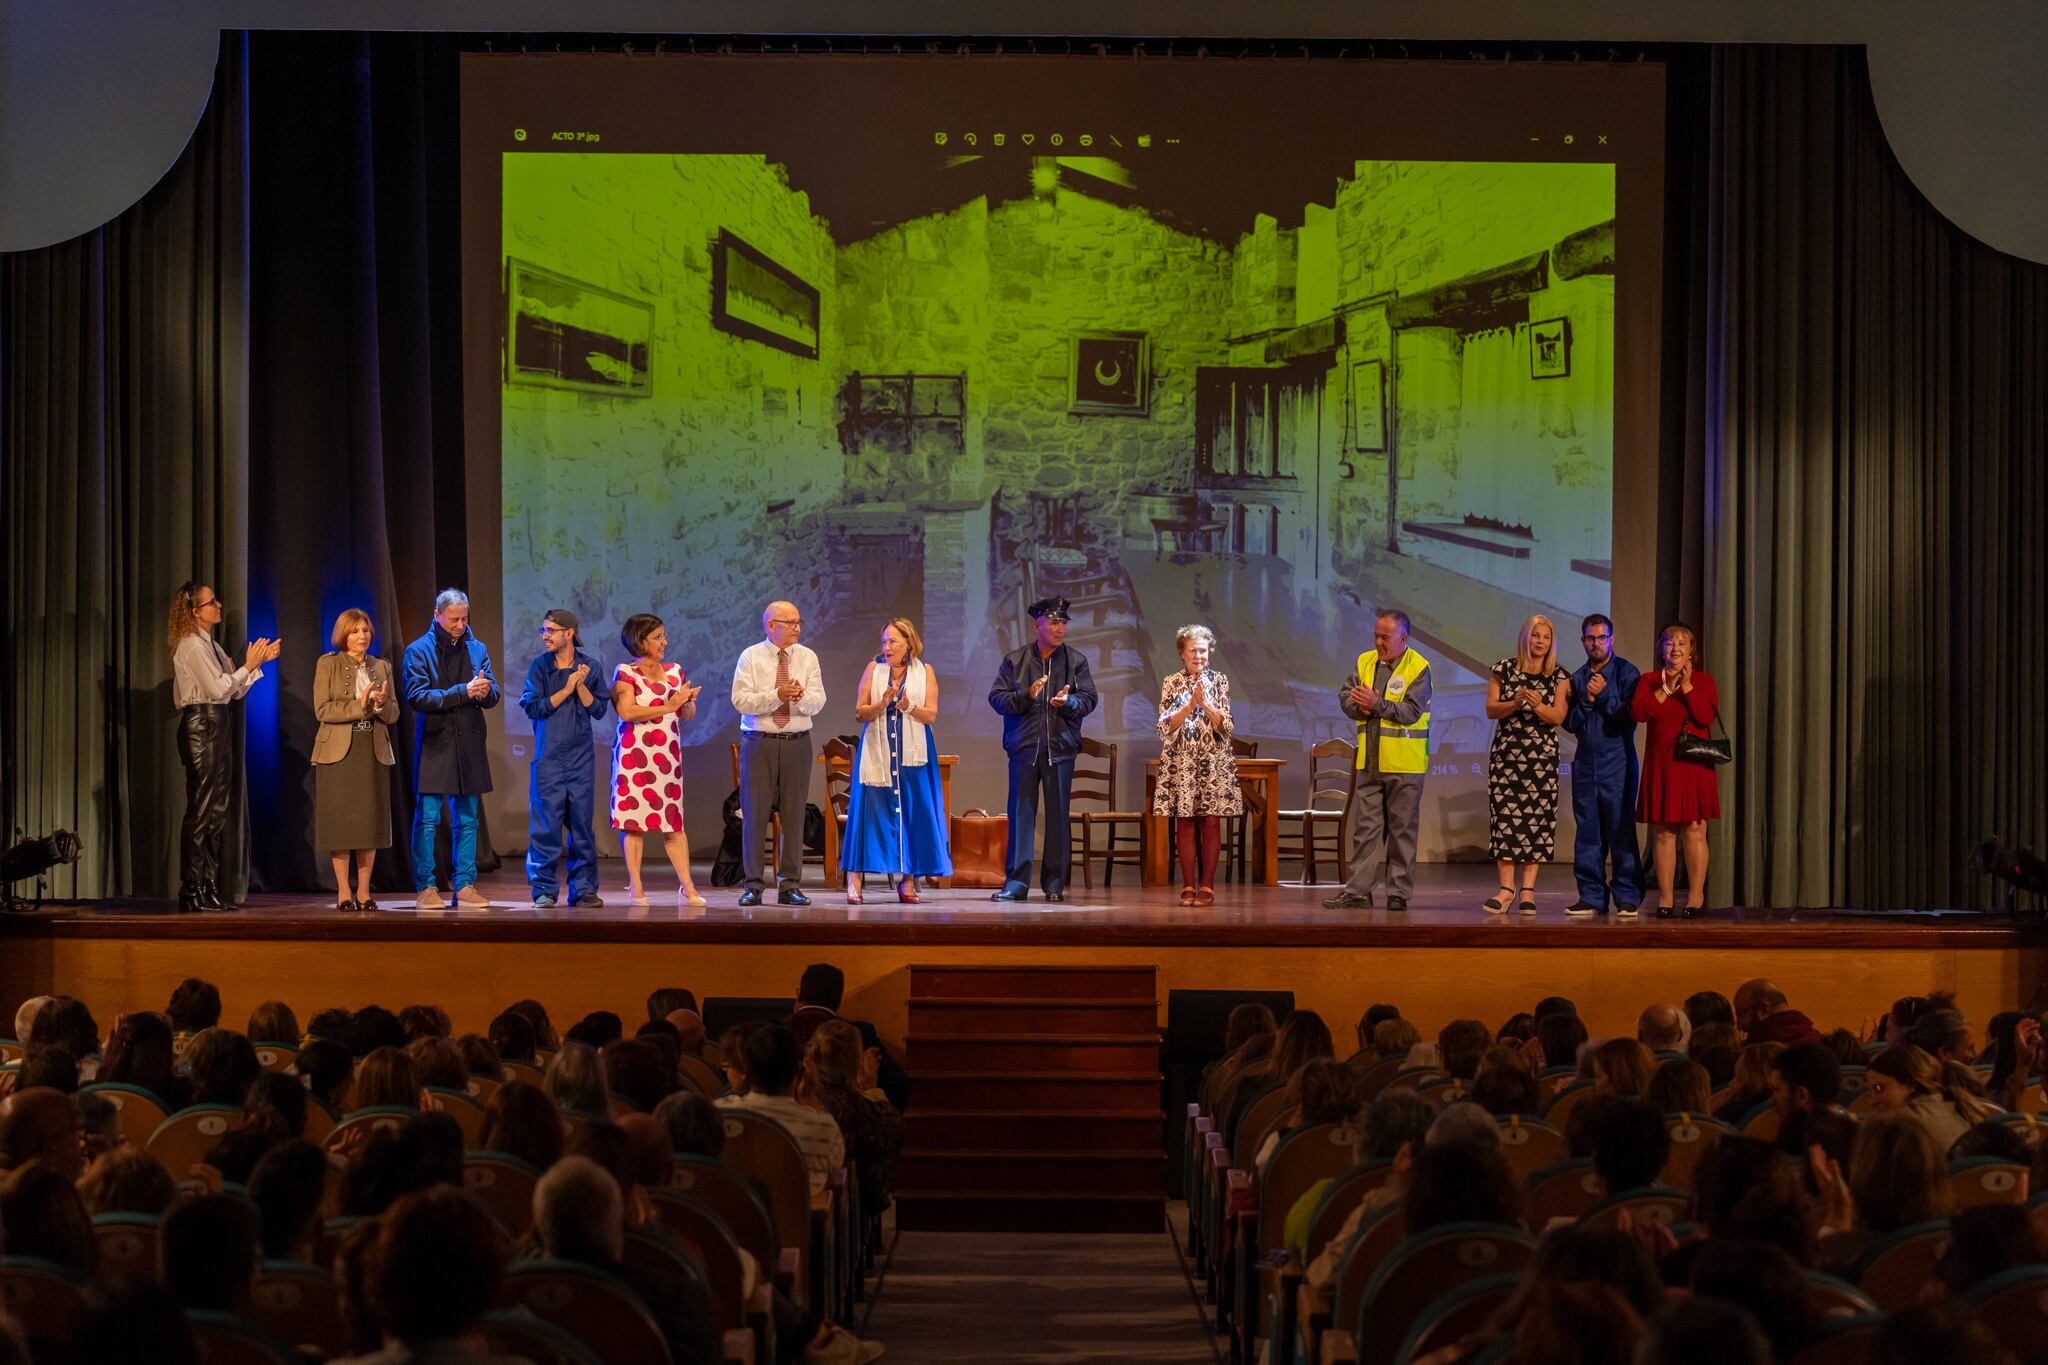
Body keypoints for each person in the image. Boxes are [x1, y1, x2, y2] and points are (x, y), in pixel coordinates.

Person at [166, 580, 280, 913]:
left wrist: (256, 664)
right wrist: (248, 665)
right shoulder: (191, 645)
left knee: (216, 811)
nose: (218, 605)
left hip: (218, 721)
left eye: (216, 600)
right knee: (201, 811)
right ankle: (191, 888)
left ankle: (209, 886)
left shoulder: (212, 647)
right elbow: (218, 689)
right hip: (202, 725)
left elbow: (233, 692)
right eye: (210, 602)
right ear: (194, 612)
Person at [987, 596, 1099, 903]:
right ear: (1038, 625)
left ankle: (1054, 884)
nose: (1060, 628)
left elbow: (1089, 700)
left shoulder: (1076, 661)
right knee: (1021, 814)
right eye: (1054, 622)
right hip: (1024, 749)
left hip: (1060, 750)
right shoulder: (1015, 660)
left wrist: (1069, 703)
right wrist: (1026, 695)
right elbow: (996, 699)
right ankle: (1017, 883)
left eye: (1063, 623)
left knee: (1058, 818)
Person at [1324, 610, 1432, 913]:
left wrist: (1377, 704)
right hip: (1370, 761)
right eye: (1376, 635)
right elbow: (1346, 696)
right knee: (1366, 830)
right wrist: (1361, 708)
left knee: (1402, 831)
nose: (1378, 641)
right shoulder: (1365, 661)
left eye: (1385, 637)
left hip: (1404, 765)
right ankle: (1358, 890)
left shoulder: (1419, 667)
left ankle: (1398, 893)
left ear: (1403, 638)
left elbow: (1411, 712)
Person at [842, 618, 953, 903]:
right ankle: (854, 880)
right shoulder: (874, 669)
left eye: (893, 642)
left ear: (908, 644)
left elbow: (931, 716)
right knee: (869, 813)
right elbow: (860, 713)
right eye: (884, 642)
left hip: (913, 754)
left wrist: (908, 706)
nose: (887, 647)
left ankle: (908, 881)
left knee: (914, 814)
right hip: (877, 752)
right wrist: (882, 704)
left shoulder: (924, 671)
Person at [402, 589, 499, 909]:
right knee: (428, 817)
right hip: (435, 741)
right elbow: (417, 696)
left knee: (468, 817)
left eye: (464, 618)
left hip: (469, 741)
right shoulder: (418, 650)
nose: (460, 625)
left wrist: (484, 692)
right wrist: (463, 691)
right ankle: (426, 886)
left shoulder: (477, 648)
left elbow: (494, 693)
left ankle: (466, 885)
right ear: (437, 615)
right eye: (454, 619)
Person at [730, 600, 826, 907]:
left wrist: (797, 698)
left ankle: (790, 885)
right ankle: (753, 885)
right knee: (755, 815)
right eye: (790, 623)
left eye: (799, 622)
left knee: (794, 814)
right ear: (771, 625)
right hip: (760, 741)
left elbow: (818, 700)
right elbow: (741, 700)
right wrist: (777, 696)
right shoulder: (751, 657)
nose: (797, 628)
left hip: (797, 740)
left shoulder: (807, 657)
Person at [609, 613, 705, 907]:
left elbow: (685, 716)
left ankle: (687, 886)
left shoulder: (674, 671)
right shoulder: (626, 672)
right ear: (641, 641)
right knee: (634, 824)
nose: (665, 642)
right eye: (658, 637)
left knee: (673, 824)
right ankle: (636, 886)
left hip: (666, 758)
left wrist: (686, 702)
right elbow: (627, 712)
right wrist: (669, 704)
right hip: (635, 757)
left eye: (664, 636)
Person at [1482, 614, 1572, 914]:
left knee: (1537, 822)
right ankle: (1506, 889)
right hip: (1507, 758)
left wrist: (1536, 705)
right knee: (1505, 820)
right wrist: (1515, 702)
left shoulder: (1560, 677)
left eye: (1546, 637)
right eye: (1536, 636)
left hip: (1541, 760)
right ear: (1525, 638)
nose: (1540, 642)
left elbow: (1558, 717)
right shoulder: (1503, 670)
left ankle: (1528, 891)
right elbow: (1491, 710)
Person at [520, 607, 609, 909]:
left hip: (580, 760)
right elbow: (533, 707)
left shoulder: (590, 667)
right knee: (546, 827)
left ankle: (583, 889)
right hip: (550, 759)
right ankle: (544, 889)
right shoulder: (540, 668)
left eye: (550, 630)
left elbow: (598, 710)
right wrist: (566, 688)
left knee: (582, 826)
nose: (544, 635)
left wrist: (580, 686)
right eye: (542, 630)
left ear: (569, 633)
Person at [312, 609, 400, 913]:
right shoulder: (328, 664)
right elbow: (322, 710)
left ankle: (364, 892)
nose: (362, 636)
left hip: (371, 750)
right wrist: (358, 705)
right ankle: (343, 891)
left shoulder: (382, 666)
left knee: (368, 824)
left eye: (365, 630)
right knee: (341, 825)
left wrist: (380, 704)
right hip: (337, 753)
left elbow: (393, 714)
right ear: (343, 635)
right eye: (355, 631)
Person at [1631, 621, 1721, 917]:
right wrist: (1666, 689)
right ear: (1662, 649)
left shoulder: (1705, 681)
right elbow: (1640, 713)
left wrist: (1687, 687)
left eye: (1682, 643)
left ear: (1691, 651)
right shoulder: (1648, 680)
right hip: (1663, 764)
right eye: (1670, 642)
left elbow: (1705, 717)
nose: (1676, 648)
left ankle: (1695, 897)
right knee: (1664, 833)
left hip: (1694, 765)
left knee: (1695, 831)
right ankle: (1666, 899)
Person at [1153, 624, 1243, 907]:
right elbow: (1164, 727)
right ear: (1182, 653)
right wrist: (1189, 705)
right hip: (1181, 762)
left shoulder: (1220, 680)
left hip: (1212, 762)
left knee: (1211, 821)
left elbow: (1227, 726)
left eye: (1203, 651)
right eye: (1193, 651)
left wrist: (1206, 705)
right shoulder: (1171, 682)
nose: (1199, 656)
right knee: (1185, 823)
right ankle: (1188, 884)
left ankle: (1208, 885)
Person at [1561, 613, 1644, 916]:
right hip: (1585, 764)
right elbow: (1569, 723)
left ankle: (1627, 896)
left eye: (1601, 638)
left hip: (1618, 764)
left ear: (1612, 639)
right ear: (1583, 640)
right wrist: (1587, 700)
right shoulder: (1577, 677)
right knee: (1588, 832)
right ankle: (1592, 896)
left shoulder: (1626, 672)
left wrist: (1603, 694)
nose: (1596, 643)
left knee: (1621, 831)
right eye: (1590, 638)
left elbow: (1629, 718)